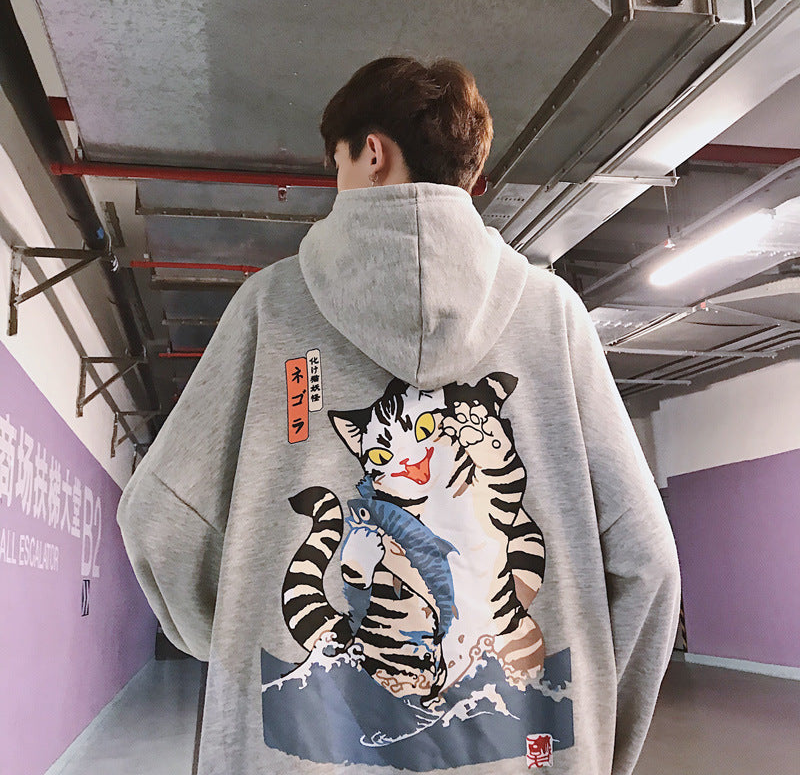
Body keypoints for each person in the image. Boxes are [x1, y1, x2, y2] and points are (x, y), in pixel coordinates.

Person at [117, 55, 681, 775]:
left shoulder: (269, 307)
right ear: (469, 173)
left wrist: (231, 638)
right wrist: (597, 741)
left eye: (337, 164)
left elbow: (159, 521)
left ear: (372, 153)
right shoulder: (554, 317)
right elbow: (648, 562)